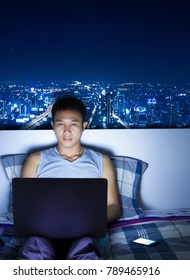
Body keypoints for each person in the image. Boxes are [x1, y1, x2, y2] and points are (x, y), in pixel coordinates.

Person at [19, 96, 121, 260]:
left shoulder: (102, 161)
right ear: (53, 126)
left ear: (83, 126)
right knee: (35, 245)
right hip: (44, 235)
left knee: (86, 246)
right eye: (61, 124)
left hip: (88, 234)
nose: (67, 131)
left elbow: (114, 206)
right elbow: (25, 209)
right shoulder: (35, 160)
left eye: (73, 124)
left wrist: (88, 222)